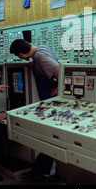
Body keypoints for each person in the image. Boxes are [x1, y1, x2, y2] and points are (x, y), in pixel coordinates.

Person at [9, 39, 61, 181]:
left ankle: (51, 172)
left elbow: (58, 71)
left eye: (18, 56)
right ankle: (47, 171)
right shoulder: (40, 49)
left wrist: (60, 88)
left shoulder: (40, 57)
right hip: (49, 103)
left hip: (52, 103)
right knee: (52, 138)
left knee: (52, 138)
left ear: (21, 54)